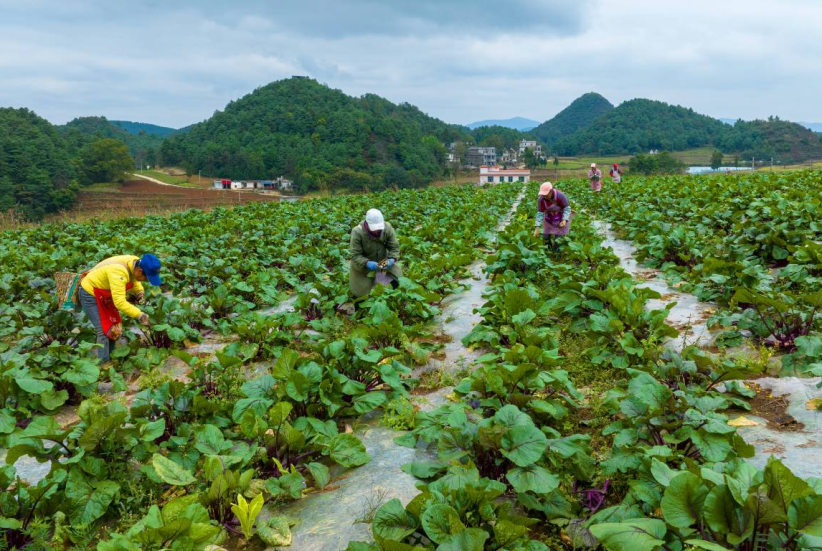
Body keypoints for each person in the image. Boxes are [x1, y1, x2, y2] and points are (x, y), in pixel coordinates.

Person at [79, 254, 162, 364]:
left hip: (105, 294)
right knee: (103, 331)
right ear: (140, 271)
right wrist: (139, 314)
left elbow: (134, 278)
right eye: (146, 278)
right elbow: (119, 302)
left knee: (114, 328)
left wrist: (139, 291)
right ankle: (104, 364)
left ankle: (111, 358)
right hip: (90, 294)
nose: (146, 281)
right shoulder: (118, 272)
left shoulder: (135, 262)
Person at [349, 209, 402, 305]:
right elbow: (355, 255)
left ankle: (389, 303)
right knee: (360, 294)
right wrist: (366, 263)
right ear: (367, 224)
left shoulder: (387, 228)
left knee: (398, 281)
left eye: (379, 228)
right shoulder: (357, 232)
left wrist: (392, 259)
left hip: (383, 262)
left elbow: (394, 247)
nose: (377, 230)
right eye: (374, 228)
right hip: (363, 265)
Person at [532, 181, 572, 251]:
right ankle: (547, 251)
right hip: (549, 218)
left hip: (560, 218)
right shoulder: (541, 199)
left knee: (558, 239)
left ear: (551, 191)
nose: (544, 196)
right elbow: (540, 213)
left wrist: (564, 220)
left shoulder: (560, 196)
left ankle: (557, 254)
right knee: (545, 237)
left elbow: (567, 209)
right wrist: (537, 227)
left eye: (546, 195)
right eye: (543, 195)